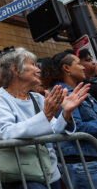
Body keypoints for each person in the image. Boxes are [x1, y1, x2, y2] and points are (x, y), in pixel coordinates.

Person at [0, 47, 88, 189]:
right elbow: (6, 132)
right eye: (33, 65)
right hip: (22, 174)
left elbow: (54, 130)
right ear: (16, 70)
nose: (38, 69)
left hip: (50, 171)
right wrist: (45, 115)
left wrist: (65, 113)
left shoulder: (37, 98)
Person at [41, 50, 97, 188]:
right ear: (66, 68)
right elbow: (75, 127)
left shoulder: (82, 93)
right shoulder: (61, 94)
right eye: (78, 63)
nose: (84, 66)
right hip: (82, 164)